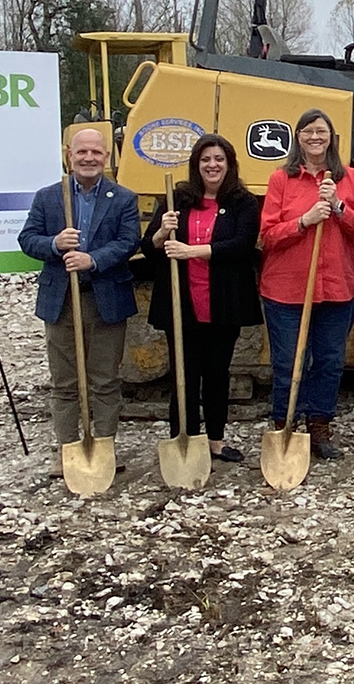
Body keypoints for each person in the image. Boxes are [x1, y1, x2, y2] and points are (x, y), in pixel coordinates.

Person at [18, 127, 143, 468]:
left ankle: (103, 445)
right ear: (68, 155)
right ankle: (68, 448)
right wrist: (55, 244)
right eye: (81, 152)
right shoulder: (48, 197)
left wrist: (94, 258)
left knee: (104, 379)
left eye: (96, 153)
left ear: (107, 157)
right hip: (61, 301)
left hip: (106, 298)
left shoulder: (123, 198)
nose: (89, 158)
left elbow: (128, 240)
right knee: (65, 380)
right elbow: (27, 239)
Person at [258, 109, 354, 460]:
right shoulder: (281, 179)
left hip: (337, 286)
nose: (314, 137)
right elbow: (266, 236)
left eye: (321, 131)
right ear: (298, 137)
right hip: (286, 288)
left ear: (331, 137)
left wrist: (337, 206)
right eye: (307, 131)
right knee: (289, 361)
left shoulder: (349, 178)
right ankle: (285, 424)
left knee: (330, 360)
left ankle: (319, 426)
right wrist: (304, 221)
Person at [144, 133, 263, 464]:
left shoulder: (243, 201)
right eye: (206, 159)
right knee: (183, 373)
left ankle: (215, 440)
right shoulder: (175, 199)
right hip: (182, 303)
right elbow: (148, 248)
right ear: (197, 164)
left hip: (222, 302)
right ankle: (184, 439)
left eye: (219, 159)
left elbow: (241, 245)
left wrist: (191, 251)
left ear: (229, 164)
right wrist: (160, 232)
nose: (213, 165)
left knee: (216, 373)